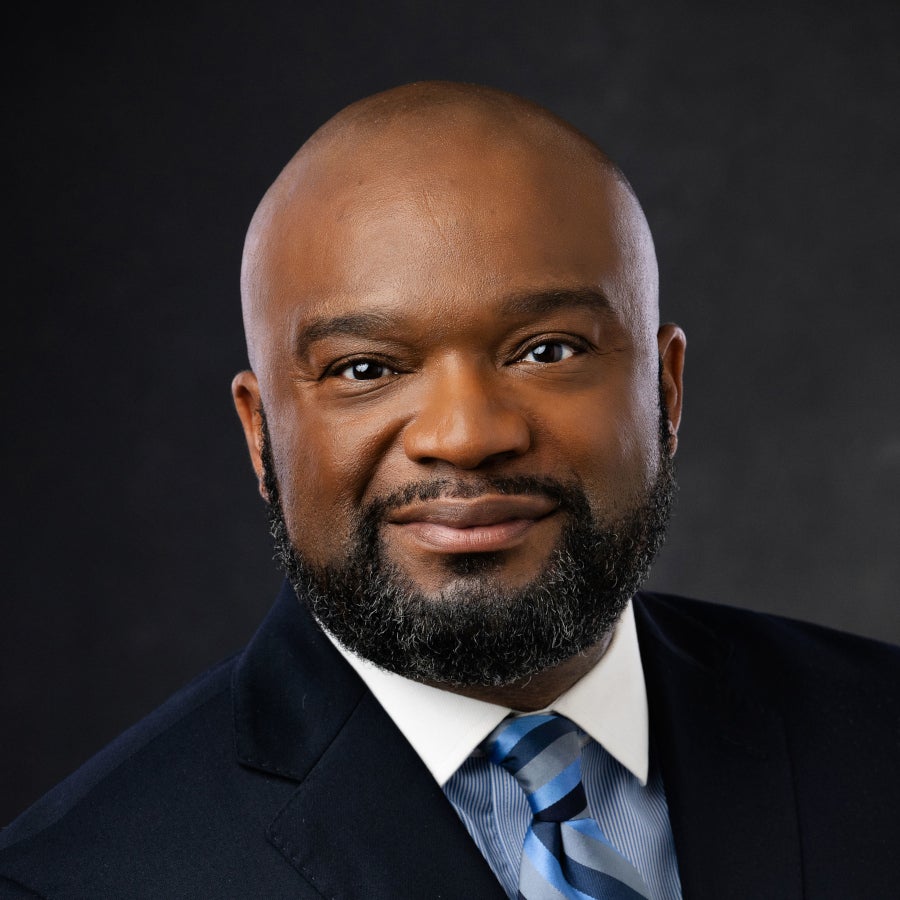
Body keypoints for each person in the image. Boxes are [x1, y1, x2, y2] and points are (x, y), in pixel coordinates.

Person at [1, 81, 897, 900]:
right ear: (259, 434)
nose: (465, 436)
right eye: (364, 368)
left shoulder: (877, 735)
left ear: (665, 390)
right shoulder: (78, 881)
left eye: (547, 350)